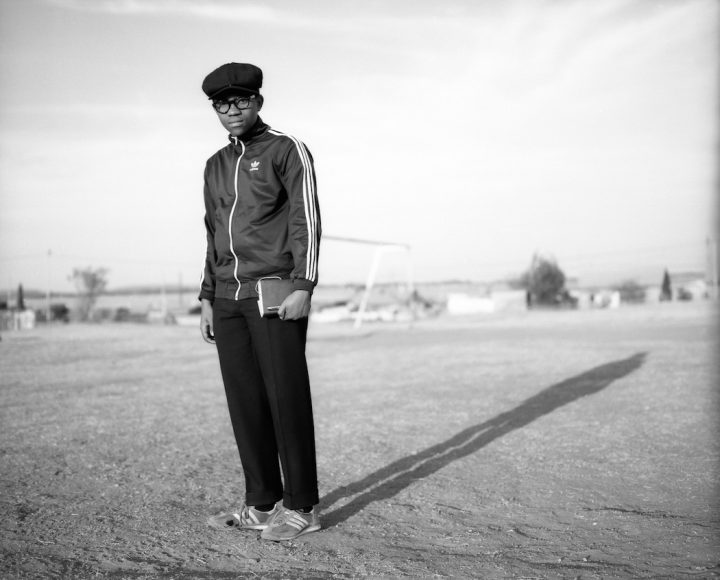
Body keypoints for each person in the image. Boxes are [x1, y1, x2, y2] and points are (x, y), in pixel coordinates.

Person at [198, 62, 321, 541]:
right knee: (245, 403)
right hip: (227, 298)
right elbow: (212, 234)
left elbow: (305, 219)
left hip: (273, 292)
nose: (232, 110)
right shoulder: (214, 164)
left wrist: (303, 285)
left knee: (286, 399)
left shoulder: (286, 149)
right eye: (222, 103)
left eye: (241, 100)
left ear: (258, 101)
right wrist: (207, 296)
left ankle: (302, 507)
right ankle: (262, 503)